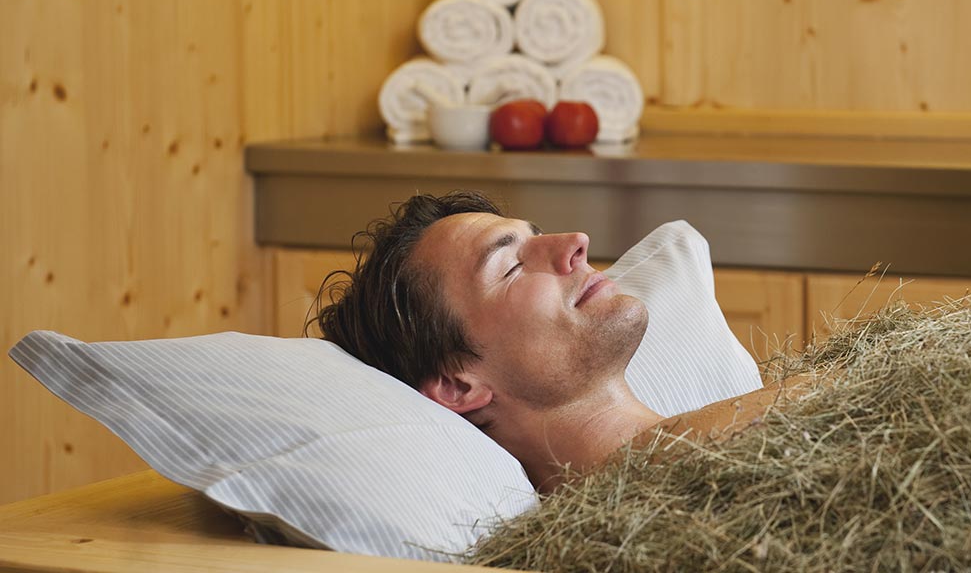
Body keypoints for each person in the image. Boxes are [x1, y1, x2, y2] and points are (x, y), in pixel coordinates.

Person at [314, 192, 800, 493]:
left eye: (537, 236)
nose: (577, 242)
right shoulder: (626, 534)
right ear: (457, 386)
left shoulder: (772, 427)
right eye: (511, 266)